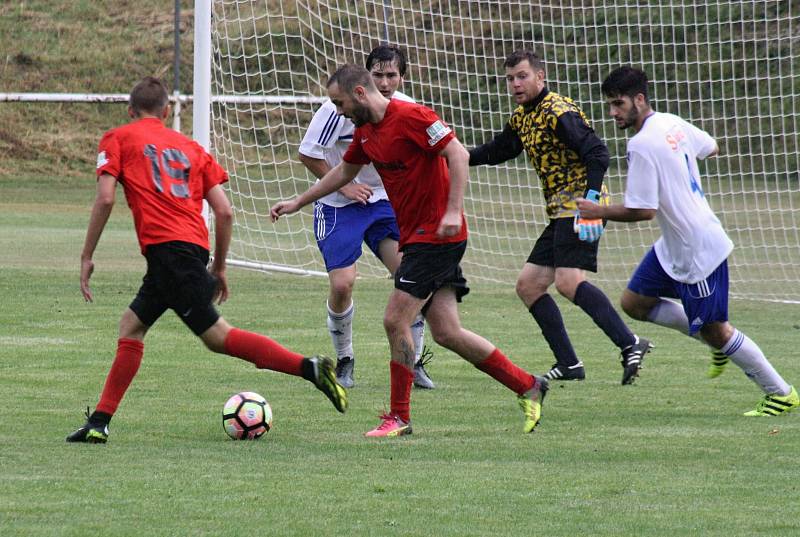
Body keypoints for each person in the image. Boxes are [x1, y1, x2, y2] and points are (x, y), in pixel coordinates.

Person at [271, 64, 549, 437]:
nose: (337, 111)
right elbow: (343, 173)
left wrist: (452, 210)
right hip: (416, 236)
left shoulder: (414, 116)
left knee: (394, 319)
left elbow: (458, 154)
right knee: (448, 332)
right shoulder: (365, 132)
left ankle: (399, 417)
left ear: (358, 94)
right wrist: (298, 202)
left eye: (339, 103)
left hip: (436, 236)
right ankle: (528, 385)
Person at [66, 77, 347, 444]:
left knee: (219, 337)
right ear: (167, 112)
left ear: (130, 111)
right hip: (187, 251)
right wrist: (219, 266)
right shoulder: (191, 148)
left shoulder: (118, 137)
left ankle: (309, 368)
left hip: (169, 254)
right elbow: (225, 212)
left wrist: (87, 255)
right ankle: (99, 422)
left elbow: (105, 199)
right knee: (131, 326)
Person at [576, 66, 799, 416]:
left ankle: (780, 392)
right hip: (672, 246)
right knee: (635, 303)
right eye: (610, 105)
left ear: (639, 99)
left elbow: (643, 211)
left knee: (718, 331)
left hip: (698, 250)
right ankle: (711, 339)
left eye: (618, 104)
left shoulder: (641, 144)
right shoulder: (671, 122)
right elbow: (712, 147)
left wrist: (596, 210)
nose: (613, 113)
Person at [468, 50, 652, 385]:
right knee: (529, 286)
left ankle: (630, 343)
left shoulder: (558, 111)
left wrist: (592, 202)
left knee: (568, 282)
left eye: (522, 76)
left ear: (541, 76)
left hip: (580, 207)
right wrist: (456, 154)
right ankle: (569, 364)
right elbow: (500, 150)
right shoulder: (523, 116)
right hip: (560, 212)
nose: (515, 84)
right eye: (510, 78)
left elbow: (598, 153)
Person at [298, 45, 434, 390]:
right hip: (337, 205)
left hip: (383, 204)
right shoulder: (338, 109)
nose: (385, 82)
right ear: (365, 78)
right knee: (342, 284)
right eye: (378, 74)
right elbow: (309, 154)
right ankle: (345, 359)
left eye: (392, 75)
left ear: (401, 77)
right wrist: (346, 188)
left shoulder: (406, 109)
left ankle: (414, 362)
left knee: (411, 278)